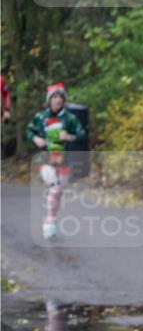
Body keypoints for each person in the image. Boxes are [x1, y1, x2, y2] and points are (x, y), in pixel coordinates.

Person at [26, 83, 85, 240]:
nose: (58, 99)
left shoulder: (70, 118)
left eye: (61, 96)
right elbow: (29, 130)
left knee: (59, 193)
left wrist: (69, 137)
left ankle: (51, 218)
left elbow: (81, 134)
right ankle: (49, 222)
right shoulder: (40, 117)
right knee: (55, 188)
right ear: (49, 99)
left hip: (63, 159)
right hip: (45, 158)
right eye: (55, 96)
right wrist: (36, 138)